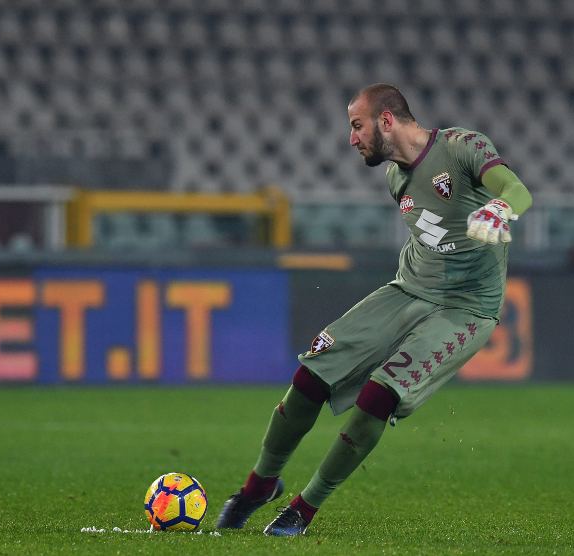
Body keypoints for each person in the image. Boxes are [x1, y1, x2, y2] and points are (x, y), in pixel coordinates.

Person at [216, 83, 533, 536]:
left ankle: (304, 509)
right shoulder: (395, 179)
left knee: (378, 397)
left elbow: (517, 190)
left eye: (356, 125)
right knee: (310, 377)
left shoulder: (462, 146)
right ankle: (258, 485)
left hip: (466, 309)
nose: (352, 139)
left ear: (386, 120)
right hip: (406, 291)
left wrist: (500, 208)